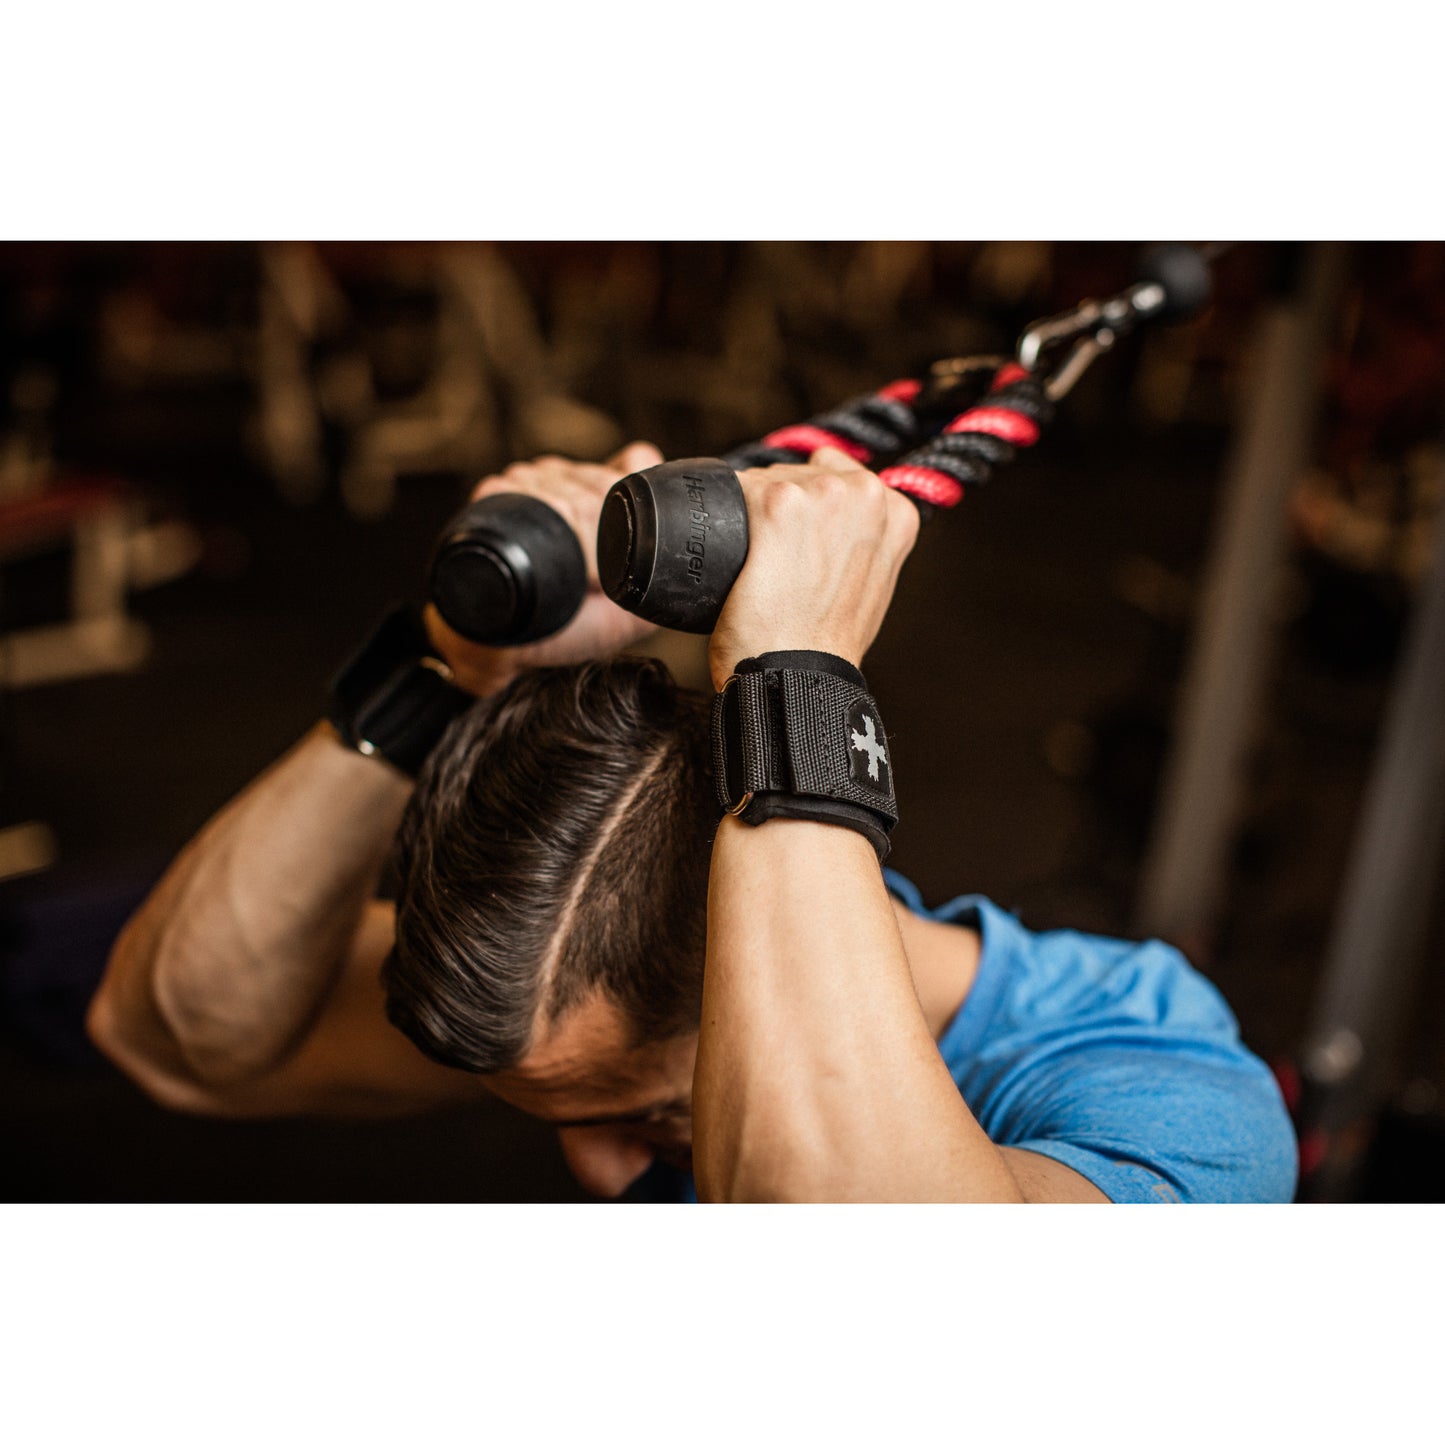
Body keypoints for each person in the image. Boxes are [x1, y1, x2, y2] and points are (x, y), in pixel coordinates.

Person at [87, 441, 1299, 1202]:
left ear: (748, 956)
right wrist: (444, 666)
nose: (603, 1168)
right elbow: (177, 1033)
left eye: (656, 1116)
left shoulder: (1166, 1094)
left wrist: (799, 668)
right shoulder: (584, 1011)